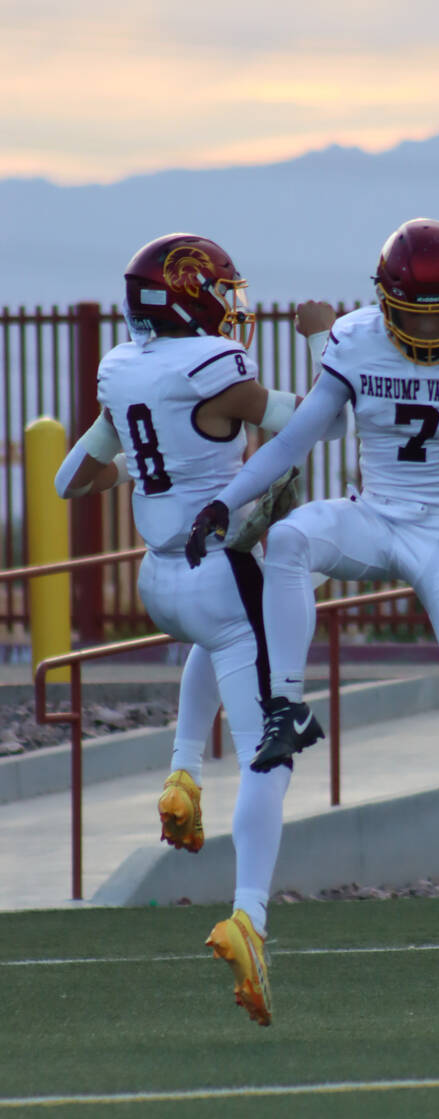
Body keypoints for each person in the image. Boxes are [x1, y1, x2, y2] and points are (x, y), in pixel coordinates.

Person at [185, 217, 439, 946]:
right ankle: (286, 708)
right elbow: (301, 434)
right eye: (411, 313)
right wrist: (228, 499)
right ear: (382, 302)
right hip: (379, 514)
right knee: (291, 539)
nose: (427, 330)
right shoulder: (356, 340)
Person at [55, 231, 339, 1025]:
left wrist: (148, 472)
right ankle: (249, 917)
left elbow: (69, 477)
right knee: (269, 757)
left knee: (220, 647)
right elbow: (317, 421)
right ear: (191, 294)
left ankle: (182, 772)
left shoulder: (121, 368)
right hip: (220, 574)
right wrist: (320, 335)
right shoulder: (216, 369)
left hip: (161, 582)